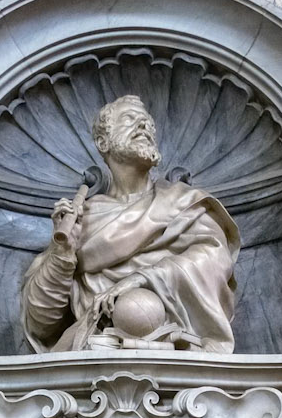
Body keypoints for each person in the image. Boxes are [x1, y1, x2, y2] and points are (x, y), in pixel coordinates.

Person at [21, 95, 239, 353]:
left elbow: (214, 262)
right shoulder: (81, 219)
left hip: (178, 347)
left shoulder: (184, 203)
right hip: (94, 349)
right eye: (130, 119)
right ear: (103, 142)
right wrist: (62, 255)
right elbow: (41, 324)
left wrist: (142, 279)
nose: (144, 126)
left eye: (147, 122)